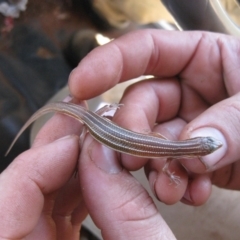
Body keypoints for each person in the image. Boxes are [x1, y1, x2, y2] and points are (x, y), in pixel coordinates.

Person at [0, 29, 239, 239]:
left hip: (105, 128)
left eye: (208, 147)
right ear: (196, 148)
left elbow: (160, 148)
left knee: (89, 141)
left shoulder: (170, 145)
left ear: (195, 145)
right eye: (210, 145)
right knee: (80, 147)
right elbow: (164, 160)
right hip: (100, 129)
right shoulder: (170, 153)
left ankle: (102, 113)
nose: (212, 147)